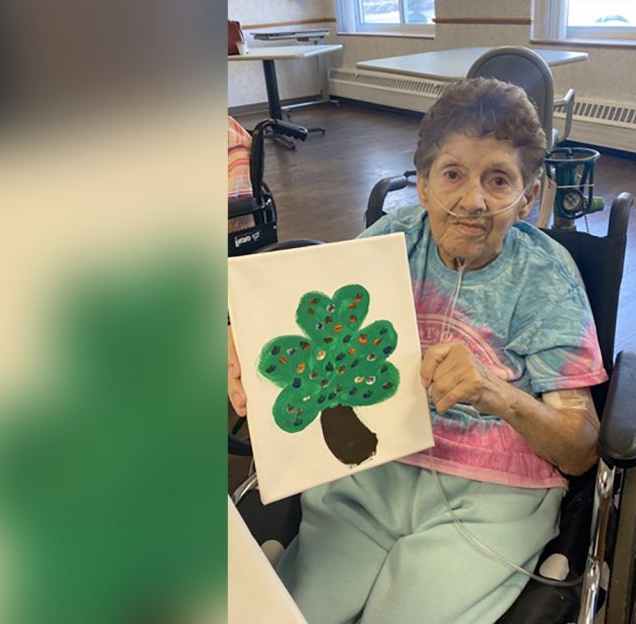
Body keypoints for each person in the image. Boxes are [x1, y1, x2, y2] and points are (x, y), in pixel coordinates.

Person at [227, 77, 607, 623]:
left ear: (528, 197)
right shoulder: (392, 241)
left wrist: (499, 395)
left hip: (491, 496)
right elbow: (303, 317)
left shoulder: (547, 279)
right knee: (290, 612)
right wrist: (243, 340)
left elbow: (581, 448)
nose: (471, 201)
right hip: (370, 467)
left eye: (498, 180)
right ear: (423, 183)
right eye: (452, 174)